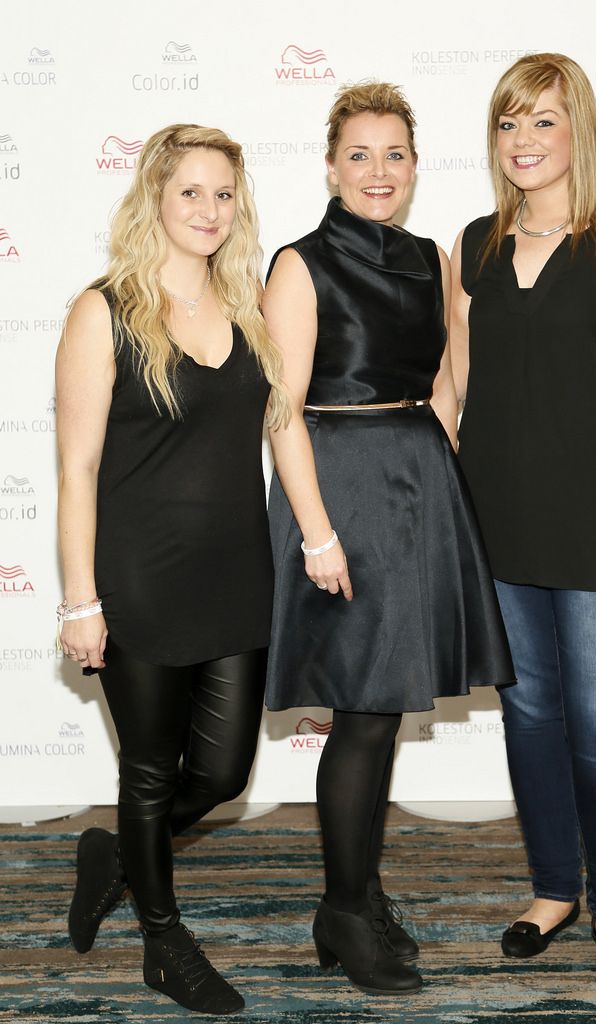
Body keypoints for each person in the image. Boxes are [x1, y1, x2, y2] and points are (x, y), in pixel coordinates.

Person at [263, 82, 514, 996]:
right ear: (331, 166)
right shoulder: (299, 264)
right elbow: (281, 411)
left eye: (394, 154)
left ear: (414, 166)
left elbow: (448, 379)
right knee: (361, 718)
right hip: (340, 492)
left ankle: (359, 898)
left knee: (383, 711)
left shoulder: (428, 258)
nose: (378, 171)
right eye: (359, 154)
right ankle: (340, 908)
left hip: (415, 487)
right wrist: (318, 534)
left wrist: (442, 465)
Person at [450, 53, 596, 979]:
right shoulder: (470, 244)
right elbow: (453, 387)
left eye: (542, 121)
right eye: (508, 123)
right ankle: (553, 890)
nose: (522, 141)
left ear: (576, 129)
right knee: (529, 717)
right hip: (494, 523)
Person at [56, 123, 286, 1015]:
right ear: (154, 195)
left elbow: (280, 432)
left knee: (222, 774)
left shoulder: (248, 309)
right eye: (191, 190)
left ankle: (114, 854)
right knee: (148, 774)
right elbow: (76, 468)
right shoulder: (104, 310)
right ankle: (163, 940)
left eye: (224, 193)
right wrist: (81, 601)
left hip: (237, 576)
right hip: (141, 579)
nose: (209, 209)